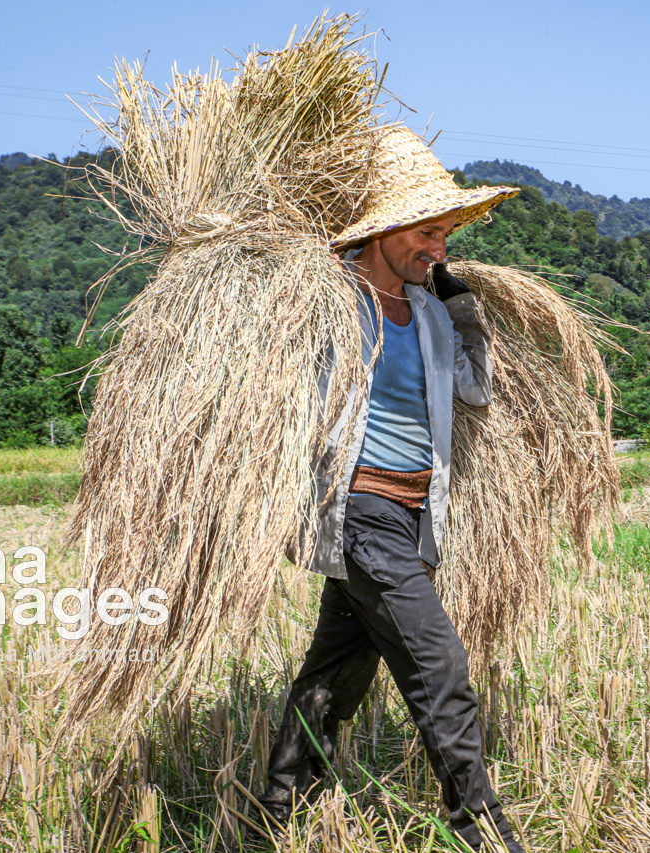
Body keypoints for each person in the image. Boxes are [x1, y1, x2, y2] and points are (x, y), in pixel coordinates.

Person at [256, 128, 523, 852]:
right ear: (380, 230)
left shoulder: (430, 312)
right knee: (440, 665)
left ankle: (270, 817)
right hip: (358, 511)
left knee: (333, 676)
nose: (438, 248)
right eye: (427, 231)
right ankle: (482, 828)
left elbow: (475, 389)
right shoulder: (327, 302)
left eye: (445, 233)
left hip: (413, 514)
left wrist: (463, 307)